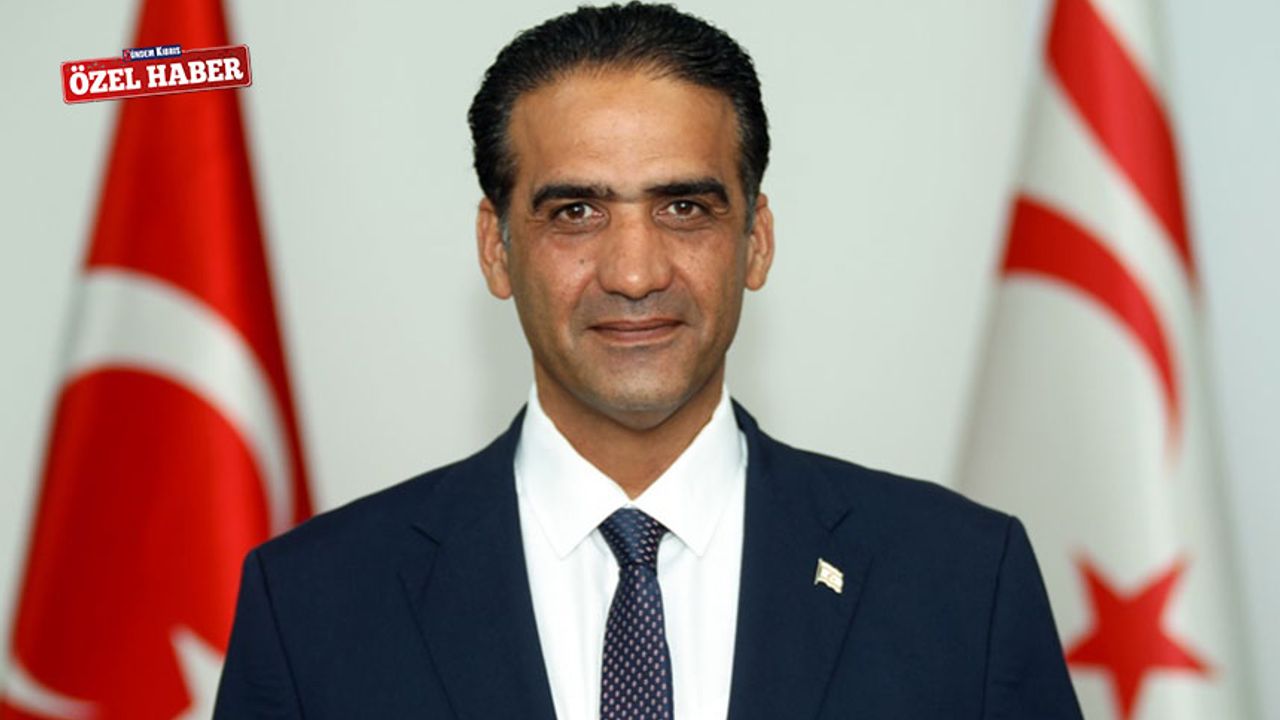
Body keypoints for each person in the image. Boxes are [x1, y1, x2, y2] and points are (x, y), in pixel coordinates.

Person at [214, 3, 1083, 718]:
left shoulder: (963, 581)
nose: (634, 274)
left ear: (756, 240)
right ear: (495, 247)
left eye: (684, 208)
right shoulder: (313, 605)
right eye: (576, 213)